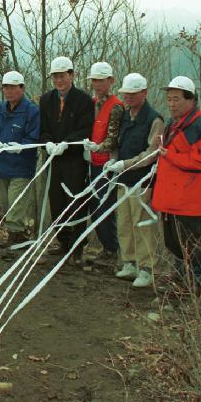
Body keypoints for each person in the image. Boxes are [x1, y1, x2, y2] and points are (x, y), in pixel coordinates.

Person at [151, 76, 201, 300]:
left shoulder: (200, 126)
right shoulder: (173, 124)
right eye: (169, 99)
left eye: (177, 99)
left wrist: (170, 155)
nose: (171, 103)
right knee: (175, 246)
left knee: (193, 250)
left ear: (191, 99)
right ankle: (181, 287)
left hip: (188, 202)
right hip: (171, 199)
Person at [99, 73, 165, 288]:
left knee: (142, 224)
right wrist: (111, 158)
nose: (128, 97)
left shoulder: (154, 119)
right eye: (126, 94)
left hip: (142, 181)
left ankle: (146, 268)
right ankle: (129, 262)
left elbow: (151, 154)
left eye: (133, 94)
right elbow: (118, 143)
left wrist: (125, 164)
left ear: (144, 93)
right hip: (123, 179)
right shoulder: (126, 116)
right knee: (125, 223)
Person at [40, 56, 95, 264]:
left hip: (74, 161)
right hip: (53, 159)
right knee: (56, 201)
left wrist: (67, 143)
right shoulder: (46, 100)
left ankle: (78, 245)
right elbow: (44, 128)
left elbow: (85, 128)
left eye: (62, 76)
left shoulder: (83, 100)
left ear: (71, 75)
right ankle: (63, 241)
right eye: (55, 76)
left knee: (75, 202)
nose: (59, 80)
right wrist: (47, 142)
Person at [0, 70, 40, 246]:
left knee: (16, 203)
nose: (9, 91)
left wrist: (21, 146)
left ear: (22, 88)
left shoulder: (31, 111)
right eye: (6, 87)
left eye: (13, 87)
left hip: (22, 167)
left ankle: (15, 235)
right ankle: (20, 233)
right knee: (6, 203)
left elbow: (35, 136)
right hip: (2, 166)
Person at [80, 62, 124, 267]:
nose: (97, 84)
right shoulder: (91, 103)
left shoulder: (116, 106)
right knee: (92, 206)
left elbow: (113, 138)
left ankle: (111, 250)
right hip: (91, 163)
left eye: (101, 80)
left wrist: (98, 147)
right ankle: (107, 248)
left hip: (107, 165)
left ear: (111, 81)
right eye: (94, 80)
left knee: (103, 207)